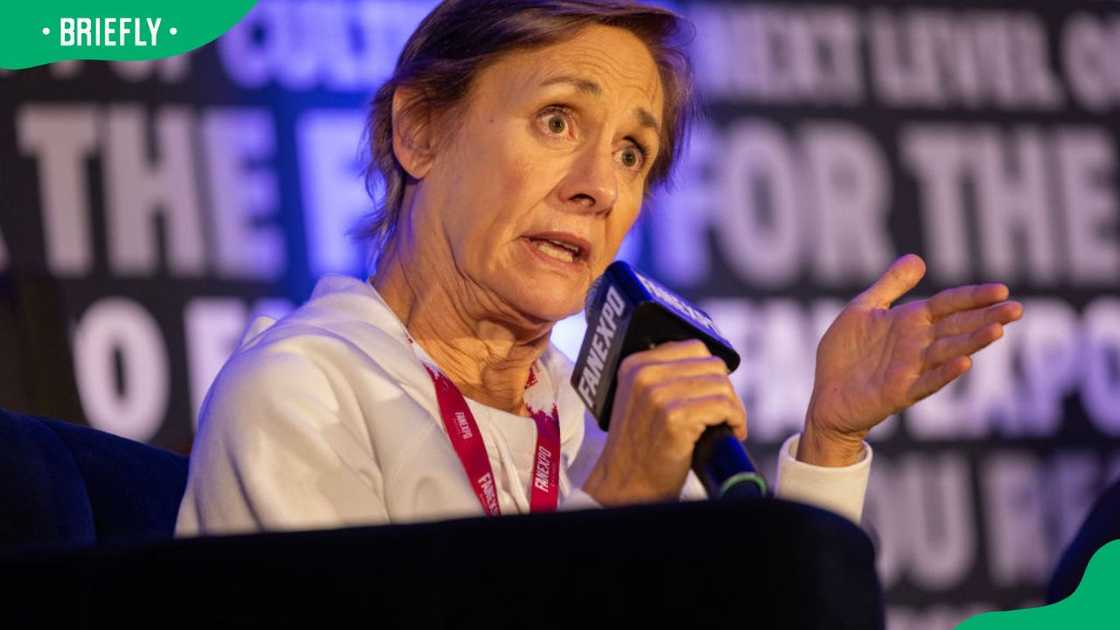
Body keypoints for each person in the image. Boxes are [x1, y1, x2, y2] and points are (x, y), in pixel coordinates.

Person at [175, 0, 1023, 535]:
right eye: (556, 121)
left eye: (631, 152)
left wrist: (831, 444)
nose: (597, 187)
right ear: (420, 130)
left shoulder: (607, 429)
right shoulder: (303, 397)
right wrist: (612, 511)